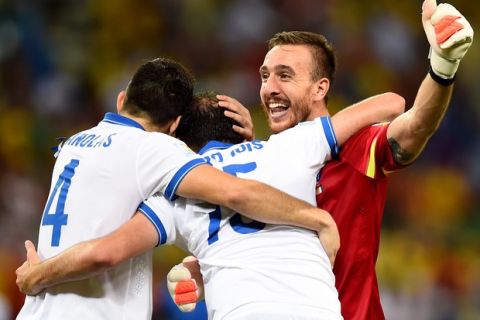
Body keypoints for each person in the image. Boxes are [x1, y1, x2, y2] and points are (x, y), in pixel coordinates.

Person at [166, 1, 474, 319]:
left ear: (319, 88)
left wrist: (442, 67)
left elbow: (416, 124)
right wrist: (203, 268)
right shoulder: (262, 158)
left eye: (284, 76)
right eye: (264, 76)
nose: (269, 89)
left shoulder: (356, 147)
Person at [14, 57, 359, 320]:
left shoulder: (75, 143)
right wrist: (317, 218)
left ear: (121, 101)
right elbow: (236, 191)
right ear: (174, 125)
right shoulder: (154, 149)